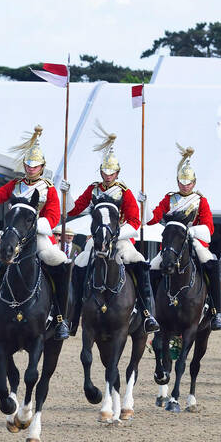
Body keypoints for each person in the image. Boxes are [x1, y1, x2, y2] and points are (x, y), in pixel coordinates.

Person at [0, 125, 70, 337]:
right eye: (28, 165)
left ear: (42, 167)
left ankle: (60, 317)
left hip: (39, 236)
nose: (30, 169)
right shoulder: (15, 185)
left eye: (35, 166)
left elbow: (53, 216)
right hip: (14, 235)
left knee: (59, 261)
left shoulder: (48, 188)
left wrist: (36, 227)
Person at [65, 125, 158, 333]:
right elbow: (74, 209)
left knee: (139, 263)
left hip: (121, 239)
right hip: (97, 237)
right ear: (101, 172)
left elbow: (135, 221)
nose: (108, 176)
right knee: (79, 263)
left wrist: (116, 235)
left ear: (117, 172)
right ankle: (73, 315)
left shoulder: (124, 192)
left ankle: (146, 313)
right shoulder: (93, 188)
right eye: (105, 172)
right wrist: (67, 192)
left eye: (112, 172)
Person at [146, 144, 221, 331]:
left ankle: (216, 311)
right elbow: (153, 219)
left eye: (188, 183)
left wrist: (191, 232)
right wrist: (145, 204)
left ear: (194, 183)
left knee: (211, 264)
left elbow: (209, 227)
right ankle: (150, 309)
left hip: (193, 240)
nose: (185, 186)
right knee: (153, 267)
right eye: (182, 182)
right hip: (173, 242)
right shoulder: (170, 198)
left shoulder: (200, 200)